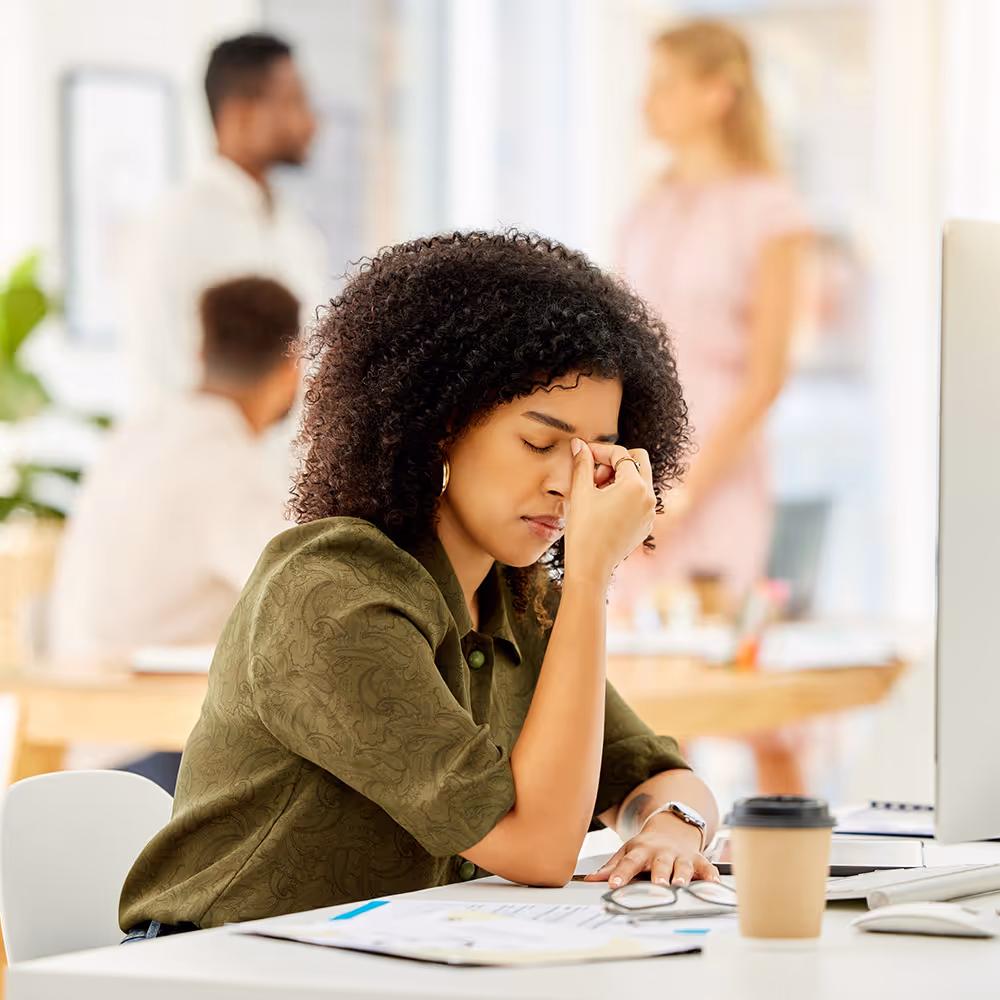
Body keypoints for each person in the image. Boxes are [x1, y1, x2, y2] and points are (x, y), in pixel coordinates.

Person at [118, 230, 720, 939]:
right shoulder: (331, 595)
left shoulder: (515, 598)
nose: (567, 484)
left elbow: (655, 775)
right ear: (438, 427)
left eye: (596, 455)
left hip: (385, 964)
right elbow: (536, 847)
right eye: (538, 442)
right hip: (213, 971)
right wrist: (589, 575)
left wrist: (674, 829)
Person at [610, 19, 809, 620]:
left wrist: (685, 491)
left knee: (707, 653)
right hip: (635, 466)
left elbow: (767, 376)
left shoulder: (772, 213)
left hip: (718, 479)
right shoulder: (644, 211)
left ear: (718, 95)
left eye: (666, 83)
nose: (647, 101)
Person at [50, 276, 300, 664]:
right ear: (292, 369)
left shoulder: (130, 440)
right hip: (154, 709)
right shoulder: (234, 470)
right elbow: (303, 596)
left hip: (66, 697)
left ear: (200, 353)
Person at [122, 32, 327, 413]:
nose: (312, 122)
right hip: (208, 464)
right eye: (294, 102)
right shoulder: (177, 224)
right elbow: (164, 376)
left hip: (290, 469)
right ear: (241, 114)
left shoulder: (297, 231)